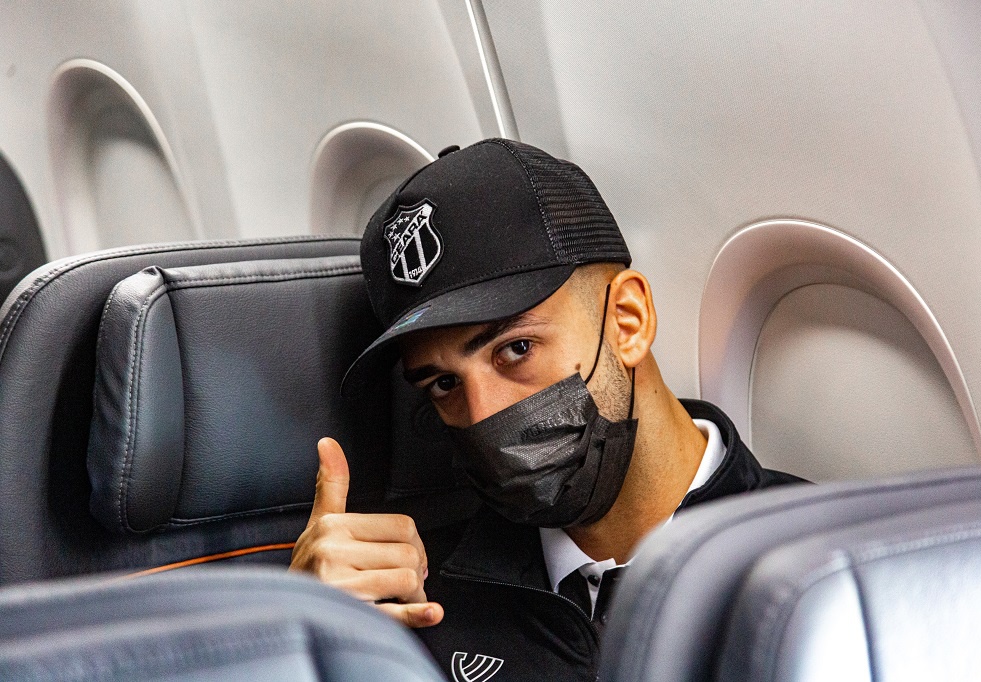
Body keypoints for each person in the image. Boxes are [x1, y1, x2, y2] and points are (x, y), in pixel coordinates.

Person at [290, 138, 806, 680]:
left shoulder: (814, 568)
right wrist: (301, 640)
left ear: (627, 321)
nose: (482, 414)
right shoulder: (416, 603)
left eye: (516, 349)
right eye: (443, 384)